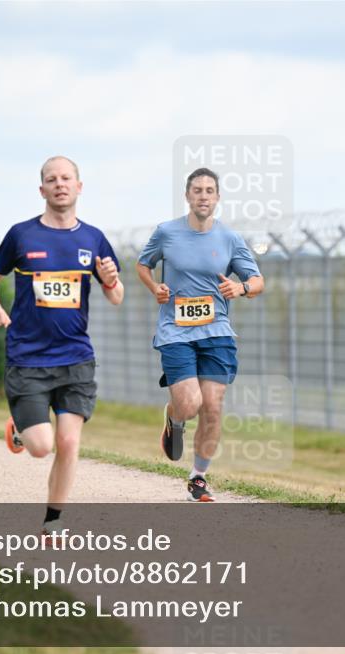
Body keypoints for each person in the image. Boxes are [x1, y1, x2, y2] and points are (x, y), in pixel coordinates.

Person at [0, 156, 123, 533]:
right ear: (41, 189)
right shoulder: (22, 234)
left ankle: (54, 520)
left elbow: (117, 296)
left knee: (69, 441)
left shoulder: (93, 238)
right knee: (41, 446)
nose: (59, 184)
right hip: (28, 358)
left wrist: (110, 279)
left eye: (66, 178)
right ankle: (20, 427)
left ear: (79, 186)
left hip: (76, 358)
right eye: (51, 179)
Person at [136, 167, 264, 502]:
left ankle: (198, 477)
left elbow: (257, 281)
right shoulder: (167, 232)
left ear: (218, 197)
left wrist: (241, 287)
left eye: (209, 190)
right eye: (197, 190)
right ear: (187, 195)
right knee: (190, 403)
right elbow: (142, 264)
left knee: (213, 406)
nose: (203, 196)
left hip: (217, 330)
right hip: (175, 330)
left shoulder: (230, 238)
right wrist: (155, 288)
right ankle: (175, 418)